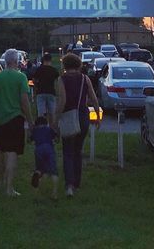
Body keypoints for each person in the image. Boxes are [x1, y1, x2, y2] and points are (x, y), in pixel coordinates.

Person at [0, 48, 33, 197]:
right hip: (15, 120)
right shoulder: (21, 77)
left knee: (1, 150)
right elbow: (25, 101)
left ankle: (0, 179)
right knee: (12, 153)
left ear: (5, 61)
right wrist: (30, 121)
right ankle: (9, 188)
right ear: (16, 61)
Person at [55, 52, 100, 198]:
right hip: (83, 116)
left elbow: (62, 101)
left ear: (65, 65)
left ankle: (69, 185)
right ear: (78, 64)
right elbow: (93, 98)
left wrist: (56, 119)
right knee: (78, 151)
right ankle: (77, 182)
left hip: (69, 116)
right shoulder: (85, 78)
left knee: (67, 150)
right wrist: (98, 116)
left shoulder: (61, 79)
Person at [30, 115, 58, 199]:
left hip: (38, 149)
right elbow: (56, 138)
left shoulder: (35, 130)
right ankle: (54, 193)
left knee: (40, 169)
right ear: (46, 123)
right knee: (54, 172)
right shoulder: (49, 129)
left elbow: (29, 140)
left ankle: (37, 174)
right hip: (49, 149)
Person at [32, 53, 59, 125]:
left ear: (43, 60)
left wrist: (35, 88)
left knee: (41, 113)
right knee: (52, 113)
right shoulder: (54, 70)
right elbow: (57, 82)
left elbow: (34, 80)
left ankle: (42, 127)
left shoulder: (39, 69)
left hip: (40, 92)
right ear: (51, 60)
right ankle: (52, 128)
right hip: (51, 92)